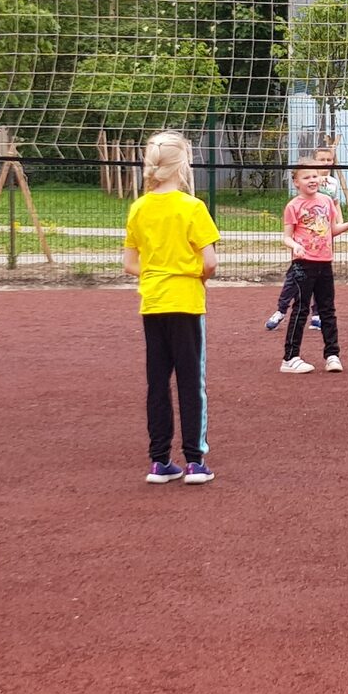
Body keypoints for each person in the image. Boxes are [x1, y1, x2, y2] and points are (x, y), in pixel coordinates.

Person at [122, 131, 221, 485]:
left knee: (157, 382)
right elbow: (209, 262)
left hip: (153, 302)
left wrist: (157, 272)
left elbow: (130, 264)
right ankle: (195, 461)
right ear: (183, 165)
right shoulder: (192, 207)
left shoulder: (139, 207)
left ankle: (159, 460)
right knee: (192, 382)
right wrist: (192, 275)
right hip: (186, 301)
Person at [279, 159, 348, 374]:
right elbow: (286, 237)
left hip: (324, 262)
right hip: (303, 264)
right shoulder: (293, 206)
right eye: (306, 177)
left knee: (327, 309)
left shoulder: (327, 201)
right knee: (300, 310)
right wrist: (296, 246)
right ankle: (290, 358)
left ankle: (332, 355)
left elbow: (333, 229)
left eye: (315, 176)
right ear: (296, 183)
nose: (312, 180)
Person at [265, 146, 341, 332]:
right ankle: (281, 310)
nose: (325, 164)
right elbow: (287, 235)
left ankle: (316, 315)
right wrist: (296, 244)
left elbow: (335, 204)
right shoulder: (296, 202)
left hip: (322, 235)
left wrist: (342, 222)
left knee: (321, 282)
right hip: (303, 248)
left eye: (328, 160)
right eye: (321, 160)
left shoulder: (331, 185)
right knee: (294, 281)